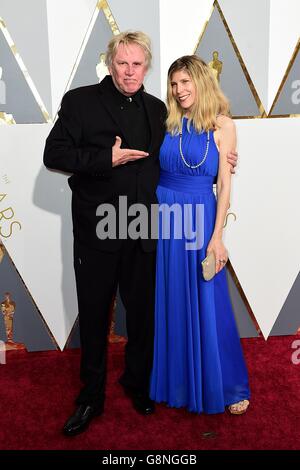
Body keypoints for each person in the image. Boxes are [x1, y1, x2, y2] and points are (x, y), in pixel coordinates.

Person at [43, 32, 238, 436]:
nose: (129, 71)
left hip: (150, 229)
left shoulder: (157, 110)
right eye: (122, 63)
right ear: (110, 63)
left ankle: (138, 383)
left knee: (144, 316)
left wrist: (226, 155)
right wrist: (103, 159)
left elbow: (189, 152)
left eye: (137, 65)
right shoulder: (80, 101)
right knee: (95, 316)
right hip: (99, 228)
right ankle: (91, 397)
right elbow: (54, 154)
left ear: (145, 67)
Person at [150, 55, 250, 415]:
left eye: (185, 82)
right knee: (172, 297)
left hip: (200, 214)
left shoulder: (223, 125)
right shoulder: (168, 122)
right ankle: (176, 380)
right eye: (174, 84)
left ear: (201, 82)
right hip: (165, 216)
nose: (178, 90)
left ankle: (225, 383)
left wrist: (217, 236)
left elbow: (224, 184)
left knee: (209, 298)